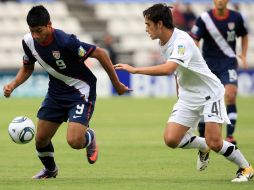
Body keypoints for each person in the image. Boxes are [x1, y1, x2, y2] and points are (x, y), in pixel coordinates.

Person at [114, 3, 253, 182]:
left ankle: (246, 168)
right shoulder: (162, 42)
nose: (146, 29)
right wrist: (180, 92)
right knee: (171, 139)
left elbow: (169, 68)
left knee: (216, 142)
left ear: (160, 24)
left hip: (209, 93)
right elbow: (177, 71)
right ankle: (203, 146)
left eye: (148, 24)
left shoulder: (182, 41)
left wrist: (135, 70)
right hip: (188, 96)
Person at [3, 5, 130, 179]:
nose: (36, 36)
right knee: (40, 139)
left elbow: (100, 53)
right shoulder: (28, 42)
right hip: (56, 93)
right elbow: (27, 68)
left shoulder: (65, 41)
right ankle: (50, 170)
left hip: (80, 91)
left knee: (74, 141)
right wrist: (13, 84)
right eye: (32, 31)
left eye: (39, 31)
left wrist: (116, 83)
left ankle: (89, 136)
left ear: (49, 25)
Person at [190, 0, 249, 145]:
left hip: (228, 63)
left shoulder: (236, 17)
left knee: (230, 94)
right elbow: (194, 40)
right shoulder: (204, 18)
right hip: (208, 64)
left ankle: (229, 135)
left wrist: (244, 55)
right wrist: (194, 57)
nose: (220, 1)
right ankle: (203, 133)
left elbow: (244, 35)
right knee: (206, 98)